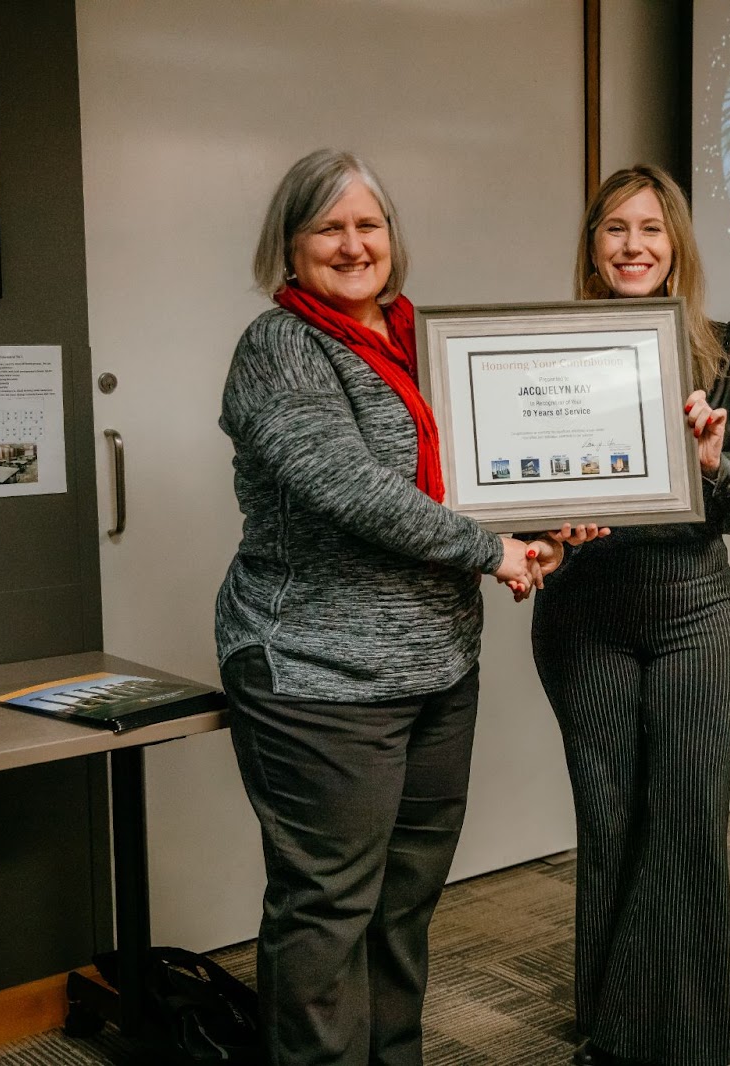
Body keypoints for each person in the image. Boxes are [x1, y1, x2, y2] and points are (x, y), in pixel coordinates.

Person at [215, 148, 560, 1066]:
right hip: (321, 673)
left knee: (405, 902)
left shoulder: (425, 340)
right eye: (328, 226)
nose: (353, 243)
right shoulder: (281, 346)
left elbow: (482, 470)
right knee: (328, 910)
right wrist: (493, 550)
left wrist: (551, 516)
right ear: (289, 248)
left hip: (439, 663)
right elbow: (352, 488)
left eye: (369, 224)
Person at [531, 165, 730, 1066]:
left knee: (686, 817)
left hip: (692, 612)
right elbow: (522, 491)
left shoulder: (728, 351)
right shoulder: (547, 350)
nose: (633, 246)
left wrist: (713, 463)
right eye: (615, 230)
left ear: (677, 245)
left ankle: (679, 1040)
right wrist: (554, 523)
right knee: (611, 821)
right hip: (583, 613)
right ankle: (608, 1018)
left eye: (651, 229)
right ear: (592, 248)